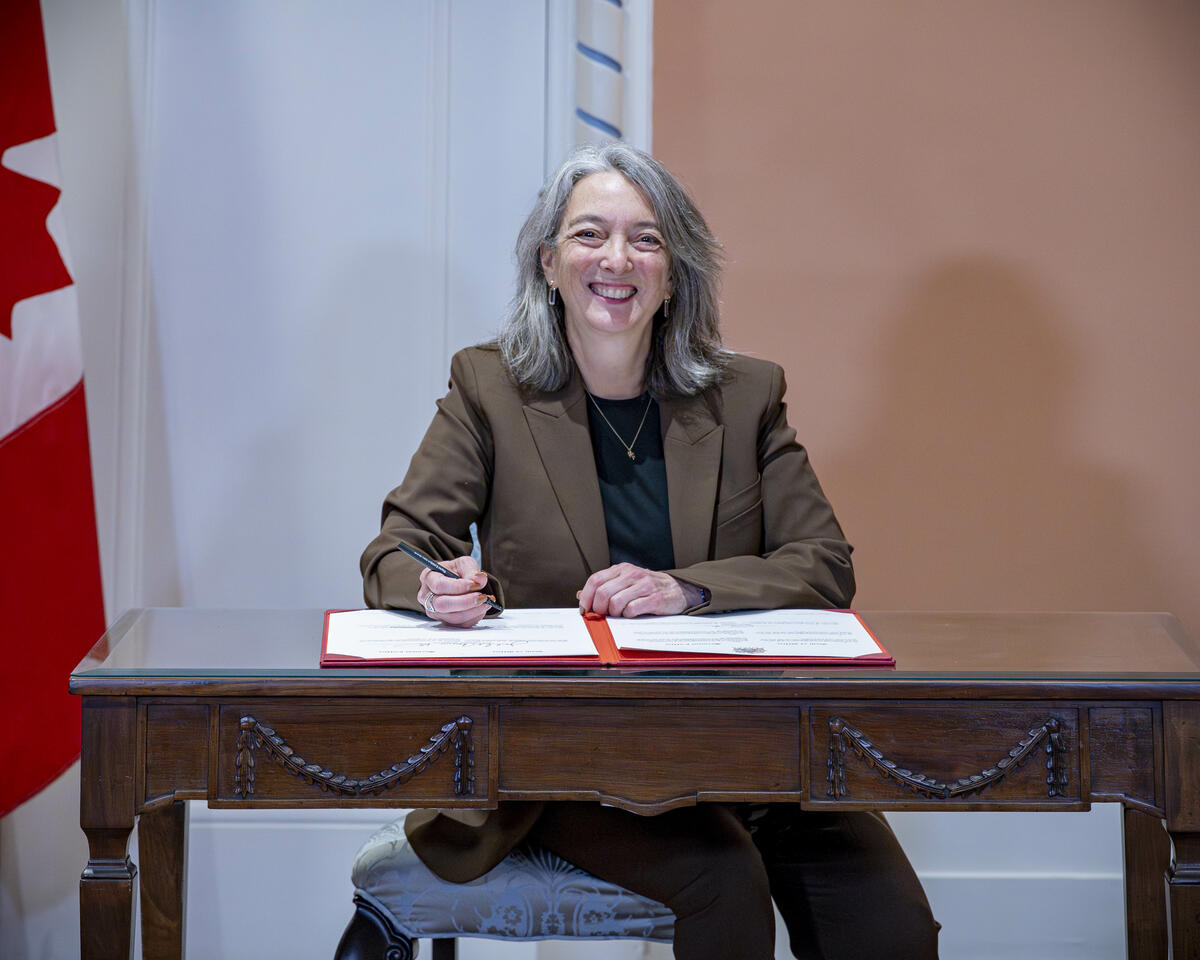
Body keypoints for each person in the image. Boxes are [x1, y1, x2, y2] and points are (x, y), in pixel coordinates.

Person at [360, 143, 939, 959]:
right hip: (568, 756)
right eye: (590, 234)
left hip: (756, 750)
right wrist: (433, 588)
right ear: (550, 262)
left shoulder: (746, 396)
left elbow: (825, 563)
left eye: (647, 239)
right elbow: (398, 549)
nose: (617, 258)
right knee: (724, 884)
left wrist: (687, 590)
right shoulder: (489, 389)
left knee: (887, 923)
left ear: (675, 274)